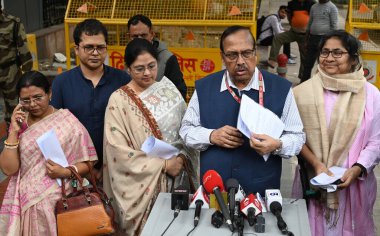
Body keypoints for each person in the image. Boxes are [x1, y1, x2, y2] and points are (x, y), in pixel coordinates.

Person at [180, 25, 305, 195]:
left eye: (246, 53)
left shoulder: (280, 88)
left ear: (255, 54)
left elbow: (297, 137)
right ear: (222, 57)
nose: (240, 61)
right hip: (216, 190)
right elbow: (186, 130)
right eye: (232, 55)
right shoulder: (205, 87)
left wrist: (277, 145)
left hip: (261, 189)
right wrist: (211, 136)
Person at [103, 38, 198, 235]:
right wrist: (163, 166)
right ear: (127, 68)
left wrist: (181, 158)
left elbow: (187, 130)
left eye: (151, 66)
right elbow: (117, 152)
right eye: (139, 68)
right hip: (143, 185)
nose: (147, 73)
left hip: (180, 175)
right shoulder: (118, 101)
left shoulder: (168, 88)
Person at [292, 30, 380, 236]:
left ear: (353, 59)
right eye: (324, 52)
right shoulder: (302, 93)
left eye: (337, 53)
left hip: (353, 184)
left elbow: (376, 140)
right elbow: (295, 135)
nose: (329, 58)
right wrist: (316, 164)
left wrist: (358, 168)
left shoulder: (371, 94)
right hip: (315, 181)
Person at [0, 71, 97, 235]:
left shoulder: (67, 121)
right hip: (29, 203)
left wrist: (65, 171)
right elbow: (9, 169)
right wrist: (13, 132)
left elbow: (89, 161)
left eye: (38, 97)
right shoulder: (19, 126)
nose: (32, 104)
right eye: (25, 100)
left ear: (49, 94)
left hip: (62, 201)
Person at [51, 19, 130, 174]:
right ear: (76, 49)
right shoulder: (62, 82)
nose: (95, 53)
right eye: (88, 47)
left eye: (100, 47)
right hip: (75, 168)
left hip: (117, 167)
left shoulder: (121, 79)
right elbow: (55, 129)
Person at [127, 14, 187, 100]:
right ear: (129, 37)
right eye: (135, 36)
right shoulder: (128, 57)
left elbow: (180, 92)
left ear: (152, 34)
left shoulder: (167, 58)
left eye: (144, 35)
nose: (139, 39)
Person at [0, 3, 32, 127]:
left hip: (10, 72)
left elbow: (23, 48)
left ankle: (14, 134)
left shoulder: (13, 23)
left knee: (14, 107)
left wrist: (28, 74)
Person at [267, 0, 314, 79]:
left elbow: (314, 17)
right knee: (278, 38)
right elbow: (288, 14)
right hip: (293, 32)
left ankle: (303, 77)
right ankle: (272, 60)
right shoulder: (292, 3)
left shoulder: (311, 4)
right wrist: (292, 22)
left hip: (305, 35)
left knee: (305, 57)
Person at [300, 0, 338, 83]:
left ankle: (323, 84)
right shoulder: (314, 7)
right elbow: (310, 23)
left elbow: (334, 26)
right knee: (308, 63)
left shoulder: (332, 7)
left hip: (324, 39)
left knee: (323, 64)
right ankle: (304, 83)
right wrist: (306, 40)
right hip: (312, 38)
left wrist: (330, 42)